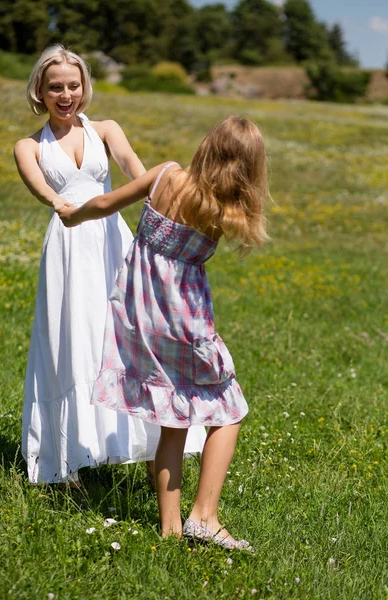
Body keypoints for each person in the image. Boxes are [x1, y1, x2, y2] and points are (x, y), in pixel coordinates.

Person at [57, 116, 268, 549]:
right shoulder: (220, 207)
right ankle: (203, 516)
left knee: (174, 419)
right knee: (229, 411)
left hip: (139, 317)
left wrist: (71, 214)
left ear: (207, 145)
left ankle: (171, 529)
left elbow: (105, 203)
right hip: (184, 322)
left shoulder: (165, 175)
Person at [14, 44, 206, 485]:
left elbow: (136, 171)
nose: (66, 95)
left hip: (112, 241)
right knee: (71, 337)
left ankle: (143, 437)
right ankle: (67, 457)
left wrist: (173, 201)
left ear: (85, 87)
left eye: (73, 85)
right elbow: (42, 188)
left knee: (124, 333)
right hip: (67, 244)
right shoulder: (28, 146)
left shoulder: (106, 128)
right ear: (39, 92)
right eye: (55, 87)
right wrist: (64, 206)